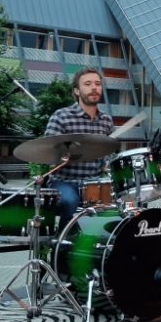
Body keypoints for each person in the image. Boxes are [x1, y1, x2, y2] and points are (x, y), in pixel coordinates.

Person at [44, 67, 114, 231]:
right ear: (77, 90)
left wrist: (108, 164)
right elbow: (47, 150)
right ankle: (62, 248)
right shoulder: (61, 116)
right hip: (63, 181)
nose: (94, 87)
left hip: (94, 182)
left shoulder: (106, 120)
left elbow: (108, 153)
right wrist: (67, 153)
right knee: (70, 201)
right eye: (87, 84)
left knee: (126, 201)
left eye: (97, 84)